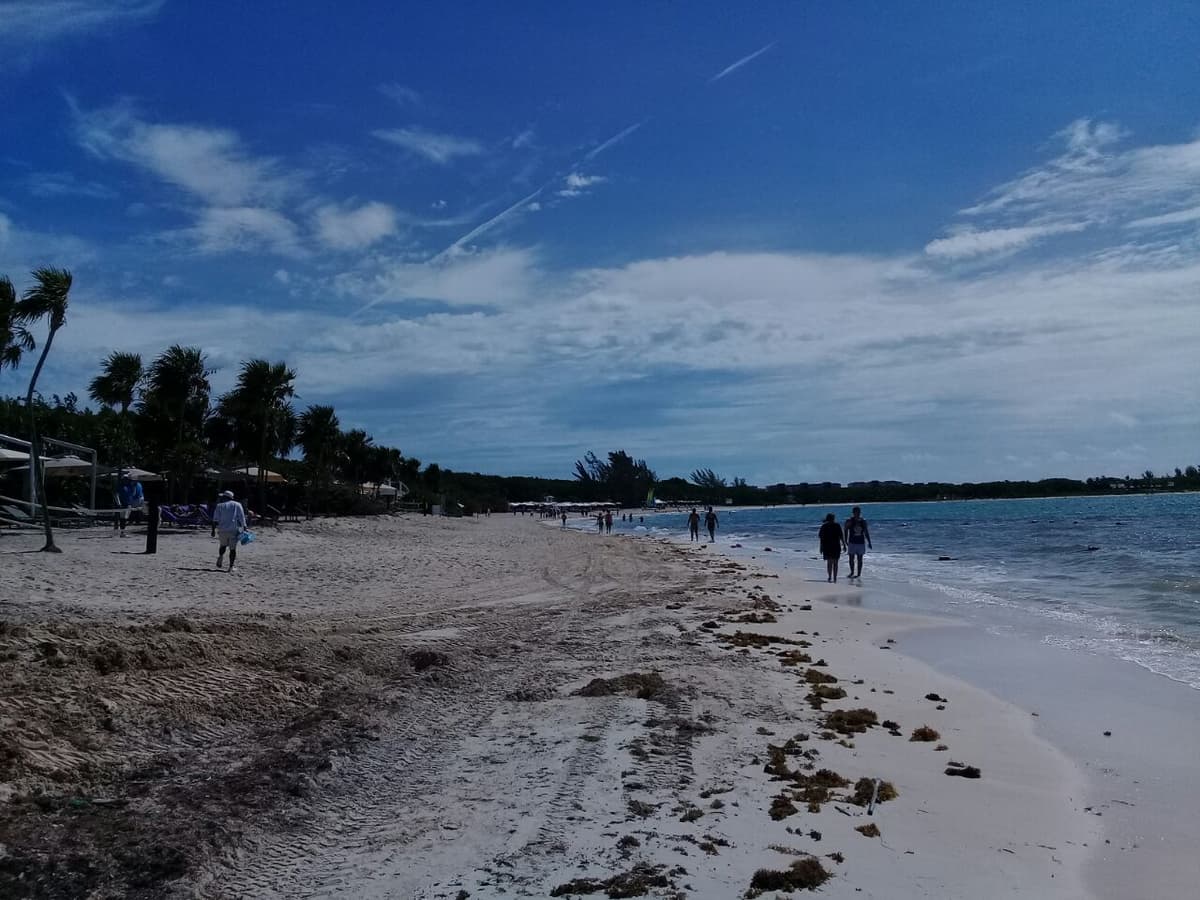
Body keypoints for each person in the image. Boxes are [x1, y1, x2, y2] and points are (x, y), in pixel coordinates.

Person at [213, 489, 247, 573]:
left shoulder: (219, 505)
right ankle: (230, 567)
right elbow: (241, 517)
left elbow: (215, 520)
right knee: (233, 549)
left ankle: (220, 557)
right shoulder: (237, 505)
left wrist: (213, 530)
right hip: (233, 530)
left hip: (222, 530)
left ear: (225, 497)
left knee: (223, 545)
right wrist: (244, 527)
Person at [844, 506, 872, 578]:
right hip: (852, 542)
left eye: (859, 512)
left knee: (860, 559)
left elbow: (866, 532)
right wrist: (845, 540)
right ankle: (852, 572)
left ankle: (859, 574)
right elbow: (845, 530)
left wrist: (869, 542)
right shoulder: (849, 520)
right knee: (851, 558)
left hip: (861, 542)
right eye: (856, 512)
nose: (858, 513)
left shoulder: (863, 521)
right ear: (853, 512)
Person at [818, 513, 845, 583]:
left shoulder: (824, 526)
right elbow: (841, 536)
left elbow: (821, 538)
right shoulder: (837, 525)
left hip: (827, 547)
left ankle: (830, 577)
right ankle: (834, 578)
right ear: (833, 518)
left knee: (830, 563)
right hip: (835, 546)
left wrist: (821, 547)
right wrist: (844, 545)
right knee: (835, 563)